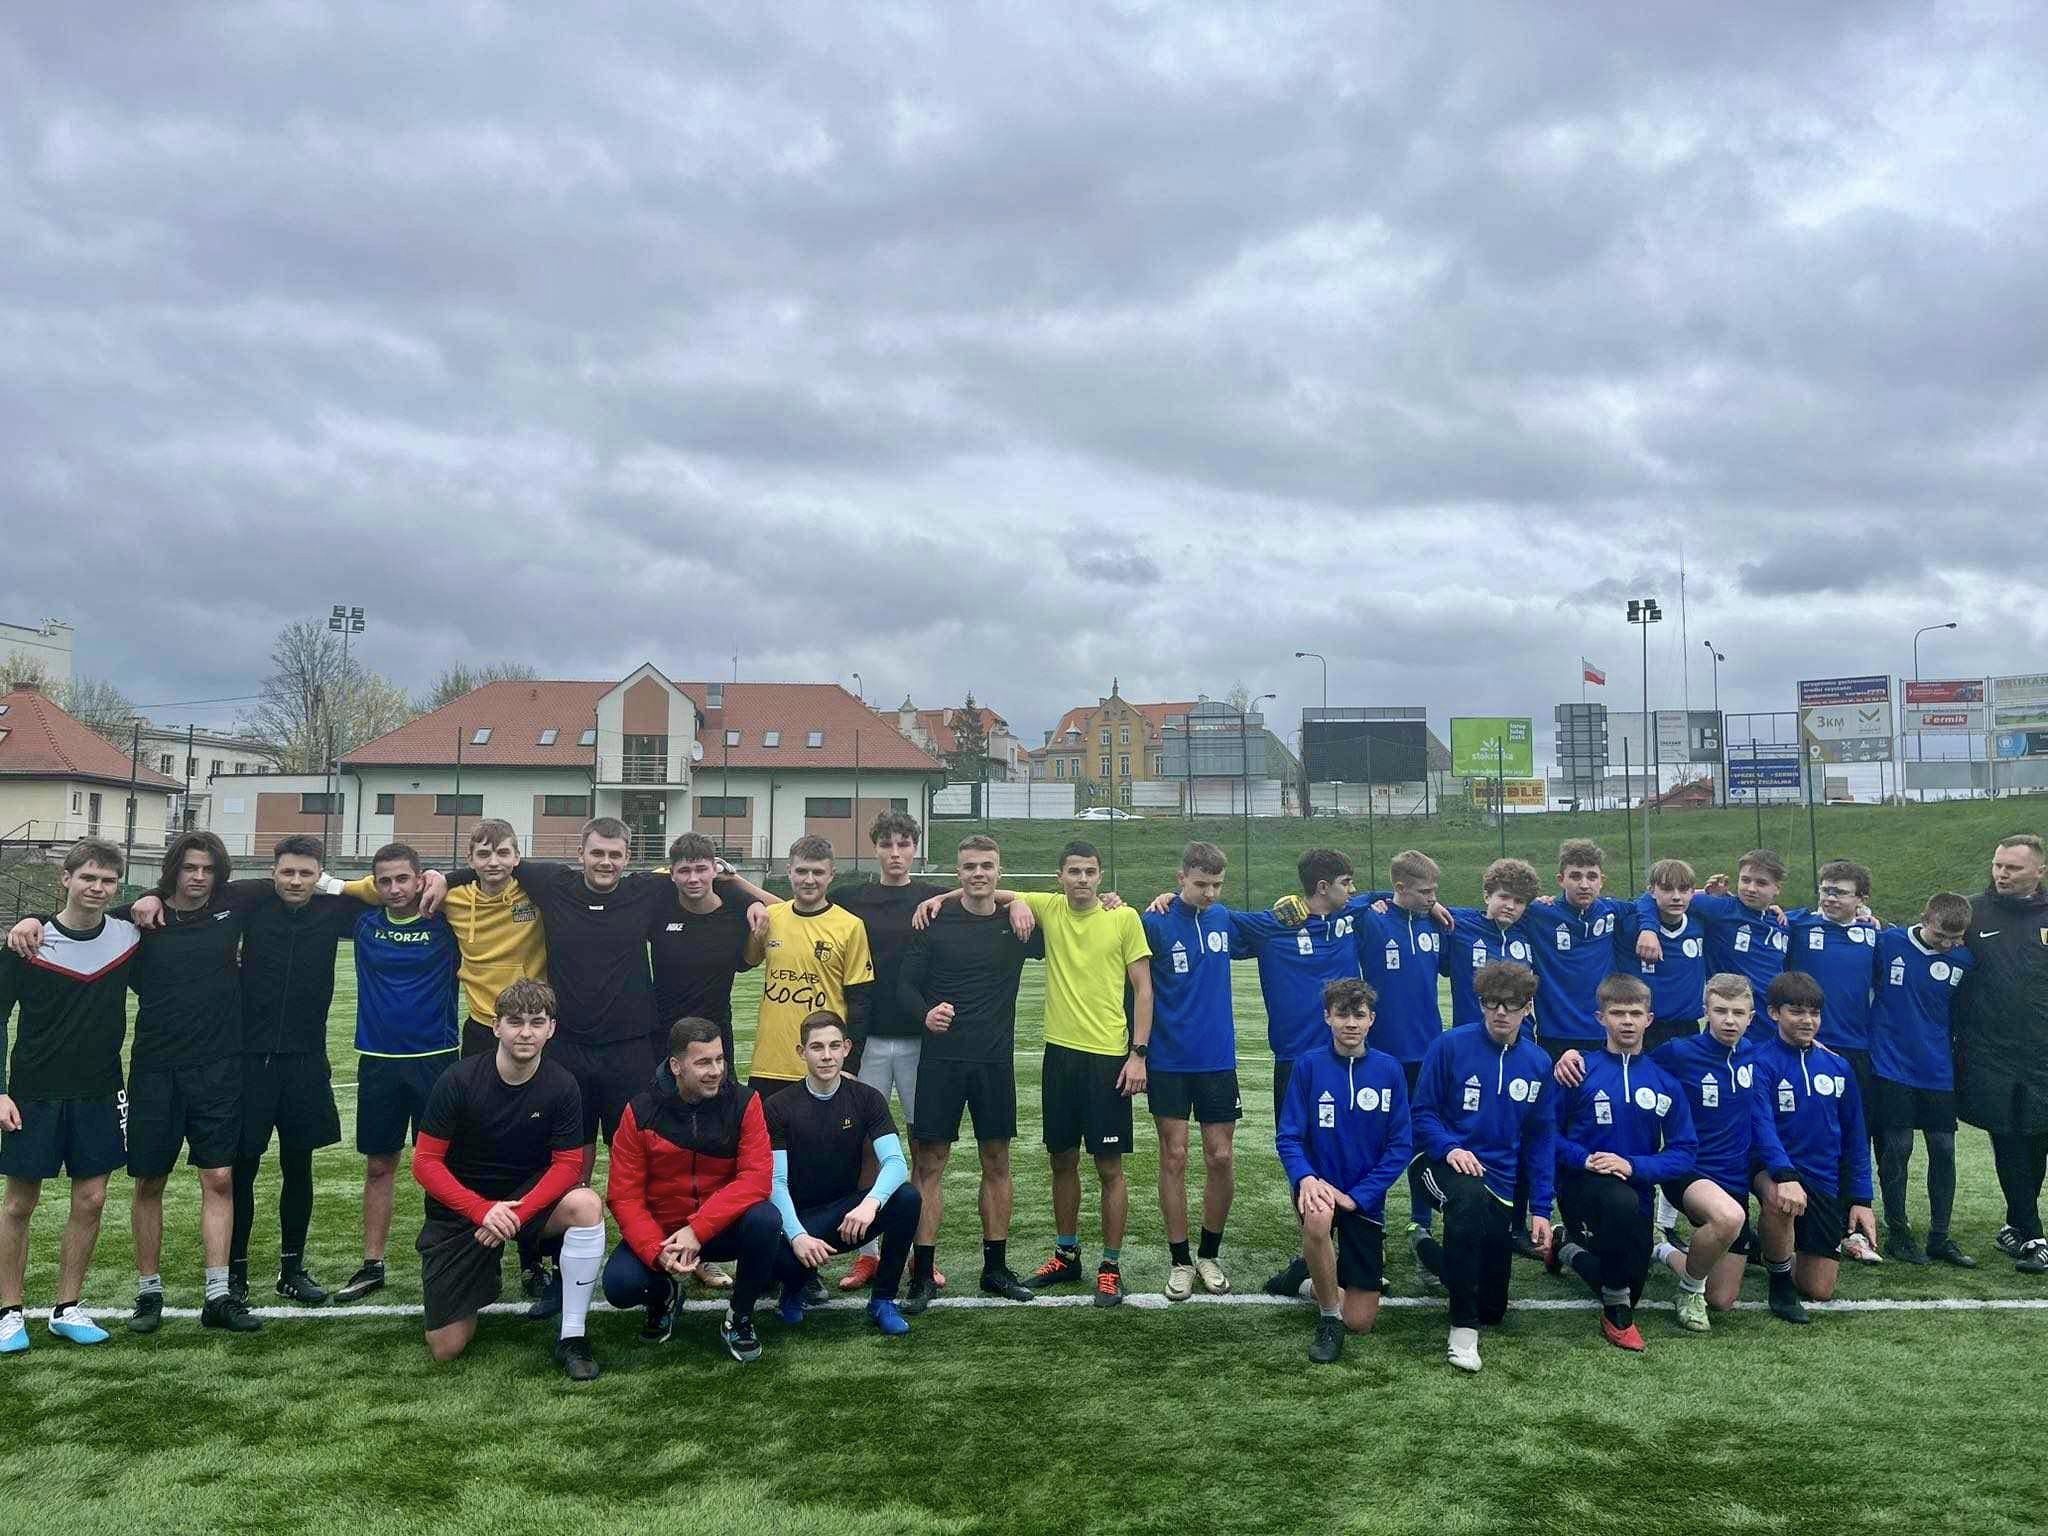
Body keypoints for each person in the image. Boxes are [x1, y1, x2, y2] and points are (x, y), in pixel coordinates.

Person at [11, 834, 259, 1334]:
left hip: (205, 1071)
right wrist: (30, 919)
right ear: (173, 870)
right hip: (143, 1072)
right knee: (144, 1181)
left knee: (213, 1178)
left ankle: (216, 1295)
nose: (198, 876)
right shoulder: (137, 920)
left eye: (208, 868)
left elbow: (295, 882)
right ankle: (144, 1293)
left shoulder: (229, 906)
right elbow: (81, 916)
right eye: (189, 867)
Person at [410, 978, 607, 1380]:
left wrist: (515, 1214)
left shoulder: (562, 1084)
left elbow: (569, 1165)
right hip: (465, 1209)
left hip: (524, 1203)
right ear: (496, 1026)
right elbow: (425, 1162)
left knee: (586, 1205)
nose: (526, 1032)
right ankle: (482, 1274)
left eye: (537, 1022)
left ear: (551, 1029)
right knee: (447, 1347)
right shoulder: (458, 1080)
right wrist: (482, 1211)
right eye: (515, 1022)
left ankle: (572, 1335)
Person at [0, 840, 138, 1353]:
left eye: (107, 881)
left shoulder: (128, 935)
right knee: (20, 1202)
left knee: (92, 1199)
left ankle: (67, 1307)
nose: (97, 888)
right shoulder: (28, 941)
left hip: (99, 1090)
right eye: (88, 878)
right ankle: (8, 1312)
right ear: (66, 879)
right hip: (33, 1091)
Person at [897, 834, 1042, 1310]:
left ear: (999, 871)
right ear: (957, 872)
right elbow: (905, 986)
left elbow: (1074, 909)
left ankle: (995, 1269)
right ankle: (922, 1275)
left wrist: (1019, 901)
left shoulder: (1018, 923)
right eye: (969, 867)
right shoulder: (934, 920)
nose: (978, 874)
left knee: (997, 1162)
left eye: (986, 866)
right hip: (940, 1061)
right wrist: (925, 1014)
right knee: (929, 1164)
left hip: (994, 1062)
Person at [1012, 841, 1152, 1306]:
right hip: (1060, 1056)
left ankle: (1110, 1266)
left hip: (1108, 1058)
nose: (1082, 879)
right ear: (1060, 876)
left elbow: (1143, 989)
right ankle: (1066, 1254)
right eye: (1074, 871)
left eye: (1090, 871)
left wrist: (1138, 1054)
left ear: (1100, 875)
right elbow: (987, 889)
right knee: (1062, 1160)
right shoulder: (1050, 909)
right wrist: (1015, 903)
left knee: (1109, 1166)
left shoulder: (1123, 918)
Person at [603, 1016, 782, 1362]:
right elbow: (624, 1196)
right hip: (665, 1234)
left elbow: (756, 1179)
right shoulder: (639, 1111)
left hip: (720, 1228)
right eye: (703, 1063)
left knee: (766, 1219)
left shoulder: (745, 1102)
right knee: (620, 1286)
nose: (716, 1071)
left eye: (720, 1059)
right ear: (676, 1066)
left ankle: (740, 1316)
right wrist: (655, 1249)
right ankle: (665, 1296)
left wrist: (697, 1229)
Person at [1237, 847, 1372, 1295]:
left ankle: (1354, 1250)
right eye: (1346, 883)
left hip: (1347, 1060)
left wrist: (1426, 903)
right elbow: (1218, 920)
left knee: (1351, 1152)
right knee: (1301, 1156)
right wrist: (1165, 899)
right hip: (1294, 1063)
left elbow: (1389, 895)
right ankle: (1314, 1253)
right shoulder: (1273, 925)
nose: (1353, 890)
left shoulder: (1351, 916)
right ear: (1323, 887)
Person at [1407, 962, 1555, 1373]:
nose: (1501, 1012)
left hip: (1500, 1183)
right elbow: (1421, 1114)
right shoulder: (1449, 1046)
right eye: (1492, 1002)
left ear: (1528, 1007)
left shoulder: (1538, 1063)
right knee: (1468, 1200)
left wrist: (1542, 1208)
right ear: (1481, 1004)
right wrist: (1449, 1147)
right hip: (1436, 1165)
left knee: (1493, 1308)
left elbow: (1541, 1138)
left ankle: (1423, 1247)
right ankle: (1462, 1329)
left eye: (1511, 1004)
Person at [334, 843, 461, 1305]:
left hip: (437, 1058)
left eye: (403, 879)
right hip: (378, 1061)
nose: (394, 888)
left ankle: (447, 1256)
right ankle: (372, 1263)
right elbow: (305, 888)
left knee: (442, 1165)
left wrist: (445, 878)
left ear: (420, 879)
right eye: (384, 881)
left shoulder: (446, 920)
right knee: (379, 1165)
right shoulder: (363, 922)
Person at [1545, 975, 1698, 1352]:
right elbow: (1546, 1136)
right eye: (1617, 1013)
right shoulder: (1578, 1071)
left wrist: (1633, 1166)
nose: (1627, 1021)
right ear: (1601, 1018)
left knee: (1633, 1285)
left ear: (1649, 1019)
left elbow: (1684, 1151)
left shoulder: (1664, 1081)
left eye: (1635, 1013)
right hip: (1583, 1187)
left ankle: (1564, 1246)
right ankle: (1615, 1314)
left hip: (1637, 1193)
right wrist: (1585, 1159)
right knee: (1619, 1211)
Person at [832, 811, 948, 1293]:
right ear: (875, 847)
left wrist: (1019, 902)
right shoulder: (851, 898)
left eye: (904, 844)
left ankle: (921, 1257)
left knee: (925, 1150)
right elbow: (793, 906)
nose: (896, 853)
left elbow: (989, 895)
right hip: (869, 1042)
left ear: (915, 847)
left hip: (923, 1042)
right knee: (867, 1150)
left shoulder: (936, 897)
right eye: (887, 844)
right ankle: (868, 1255)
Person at [1642, 973, 1797, 1328]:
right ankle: (1688, 1292)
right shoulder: (1680, 1052)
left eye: (1738, 1013)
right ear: (1705, 1011)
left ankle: (1661, 1249)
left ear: (1751, 1018)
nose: (1729, 1020)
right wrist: (1575, 1057)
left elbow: (1791, 1052)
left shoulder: (1754, 1056)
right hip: (1688, 1169)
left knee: (1722, 1298)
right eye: (1720, 1011)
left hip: (1734, 1179)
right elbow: (1632, 1064)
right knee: (1728, 1218)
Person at [1275, 978, 1411, 1365]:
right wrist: (1307, 1178)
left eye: (1359, 1015)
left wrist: (1359, 1196)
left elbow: (1400, 1146)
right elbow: (1288, 1137)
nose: (1351, 1023)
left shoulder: (1389, 1070)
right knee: (1317, 1220)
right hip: (1318, 1186)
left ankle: (1304, 1281)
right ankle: (1328, 1319)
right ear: (1327, 1017)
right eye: (1342, 1014)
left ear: (1372, 1020)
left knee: (1361, 1321)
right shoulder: (1308, 1066)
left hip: (1363, 1198)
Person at [1138, 842, 1252, 1300]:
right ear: (1181, 877)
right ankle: (1180, 1260)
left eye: (1217, 885)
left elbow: (1285, 921)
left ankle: (1209, 1254)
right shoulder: (1154, 921)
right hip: (1168, 1060)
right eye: (1201, 884)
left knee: (1221, 1157)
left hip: (1218, 1060)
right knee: (1175, 1156)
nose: (1210, 893)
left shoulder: (1225, 919)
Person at [764, 1011, 920, 1335]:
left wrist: (870, 1204)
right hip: (800, 1221)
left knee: (906, 1198)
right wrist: (797, 1235)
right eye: (817, 1047)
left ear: (847, 1048)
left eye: (834, 1046)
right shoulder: (779, 1106)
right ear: (801, 1052)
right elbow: (775, 1182)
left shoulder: (867, 1098)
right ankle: (792, 1289)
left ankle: (883, 1300)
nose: (827, 1056)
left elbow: (896, 1163)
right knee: (778, 1254)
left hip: (848, 1218)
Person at [339, 819, 547, 1059]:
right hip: (481, 1021)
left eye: (502, 853)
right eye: (483, 854)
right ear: (470, 859)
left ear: (517, 857)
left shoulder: (538, 894)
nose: (493, 862)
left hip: (530, 1019)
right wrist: (331, 884)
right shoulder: (450, 898)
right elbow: (390, 889)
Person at [1749, 970, 1878, 1322]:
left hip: (1823, 1179)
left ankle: (1768, 1248)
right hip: (1773, 1169)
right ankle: (1779, 1284)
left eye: (1814, 1013)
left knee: (1819, 1288)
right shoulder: (1760, 1062)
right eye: (1796, 1011)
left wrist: (1861, 1199)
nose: (1807, 1020)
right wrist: (1785, 1174)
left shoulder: (1838, 1066)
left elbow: (1855, 1136)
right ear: (1773, 1013)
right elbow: (1761, 1126)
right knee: (1779, 1199)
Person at [1953, 834, 2048, 1275]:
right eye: (1998, 865)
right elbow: (1927, 939)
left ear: (2039, 871)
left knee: (2037, 1138)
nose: (2002, 874)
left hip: (2042, 1054)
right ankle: (2032, 1235)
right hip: (1990, 1052)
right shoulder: (1972, 913)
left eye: (2013, 867)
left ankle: (2015, 1224)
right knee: (2008, 1137)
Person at [1868, 893, 1977, 1267]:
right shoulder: (1888, 942)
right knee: (1898, 1147)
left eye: (1955, 937)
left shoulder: (1964, 960)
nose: (1947, 944)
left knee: (1944, 1148)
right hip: (1890, 1063)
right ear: (1924, 919)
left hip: (1937, 1068)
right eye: (1940, 935)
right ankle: (1898, 1232)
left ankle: (1940, 1237)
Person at [1354, 850, 1446, 1233]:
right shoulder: (1372, 919)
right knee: (1375, 1139)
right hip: (1381, 1053)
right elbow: (1343, 903)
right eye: (1425, 892)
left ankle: (1420, 1223)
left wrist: (1433, 906)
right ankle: (1370, 1220)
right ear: (1400, 888)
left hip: (1428, 1052)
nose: (1432, 898)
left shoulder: (1434, 923)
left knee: (1422, 1137)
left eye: (1435, 891)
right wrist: (1375, 896)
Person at [743, 836, 875, 1099]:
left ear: (831, 875)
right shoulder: (772, 917)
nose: (809, 880)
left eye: (818, 872)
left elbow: (860, 1002)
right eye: (802, 871)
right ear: (789, 871)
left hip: (823, 1063)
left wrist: (850, 1065)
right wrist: (753, 916)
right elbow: (748, 961)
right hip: (770, 1061)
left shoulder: (850, 926)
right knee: (765, 1127)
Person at [646, 832, 770, 1091]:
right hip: (664, 1034)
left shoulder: (736, 912)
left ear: (715, 869)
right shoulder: (658, 906)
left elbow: (792, 914)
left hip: (716, 1034)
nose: (693, 878)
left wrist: (741, 886)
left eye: (701, 869)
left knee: (722, 1108)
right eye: (684, 871)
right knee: (663, 1108)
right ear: (672, 874)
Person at [1670, 849, 1791, 1020]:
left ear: (1777, 888)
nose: (1751, 888)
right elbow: (1662, 897)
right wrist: (1649, 930)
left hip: (1774, 1021)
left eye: (1761, 883)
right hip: (1732, 1020)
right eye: (1745, 880)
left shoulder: (1783, 922)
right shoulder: (1720, 909)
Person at [1439, 858, 1542, 1030]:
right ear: (1487, 896)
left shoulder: (1529, 930)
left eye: (1519, 901)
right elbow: (1411, 896)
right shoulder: (1459, 924)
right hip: (1470, 1034)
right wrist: (1433, 905)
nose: (1510, 906)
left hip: (1520, 1036)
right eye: (1504, 897)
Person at [1620, 858, 1708, 1053]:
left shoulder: (1701, 923)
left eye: (1683, 889)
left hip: (1688, 1028)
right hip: (1644, 1029)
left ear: (1693, 892)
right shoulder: (1630, 926)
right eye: (1667, 889)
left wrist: (1771, 910)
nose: (1676, 897)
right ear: (1652, 891)